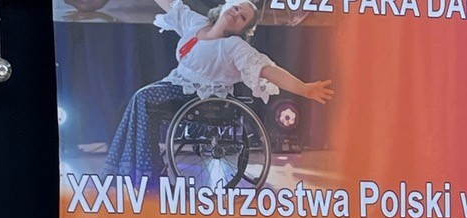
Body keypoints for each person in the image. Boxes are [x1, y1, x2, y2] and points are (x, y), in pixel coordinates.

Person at [102, 0, 334, 185]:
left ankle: (143, 173)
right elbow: (171, 4)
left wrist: (304, 88)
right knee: (139, 102)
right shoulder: (196, 24)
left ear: (244, 29)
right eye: (235, 7)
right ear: (224, 7)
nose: (236, 13)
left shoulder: (234, 46)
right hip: (175, 87)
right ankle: (128, 170)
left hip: (202, 98)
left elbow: (266, 70)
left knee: (142, 98)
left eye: (242, 17)